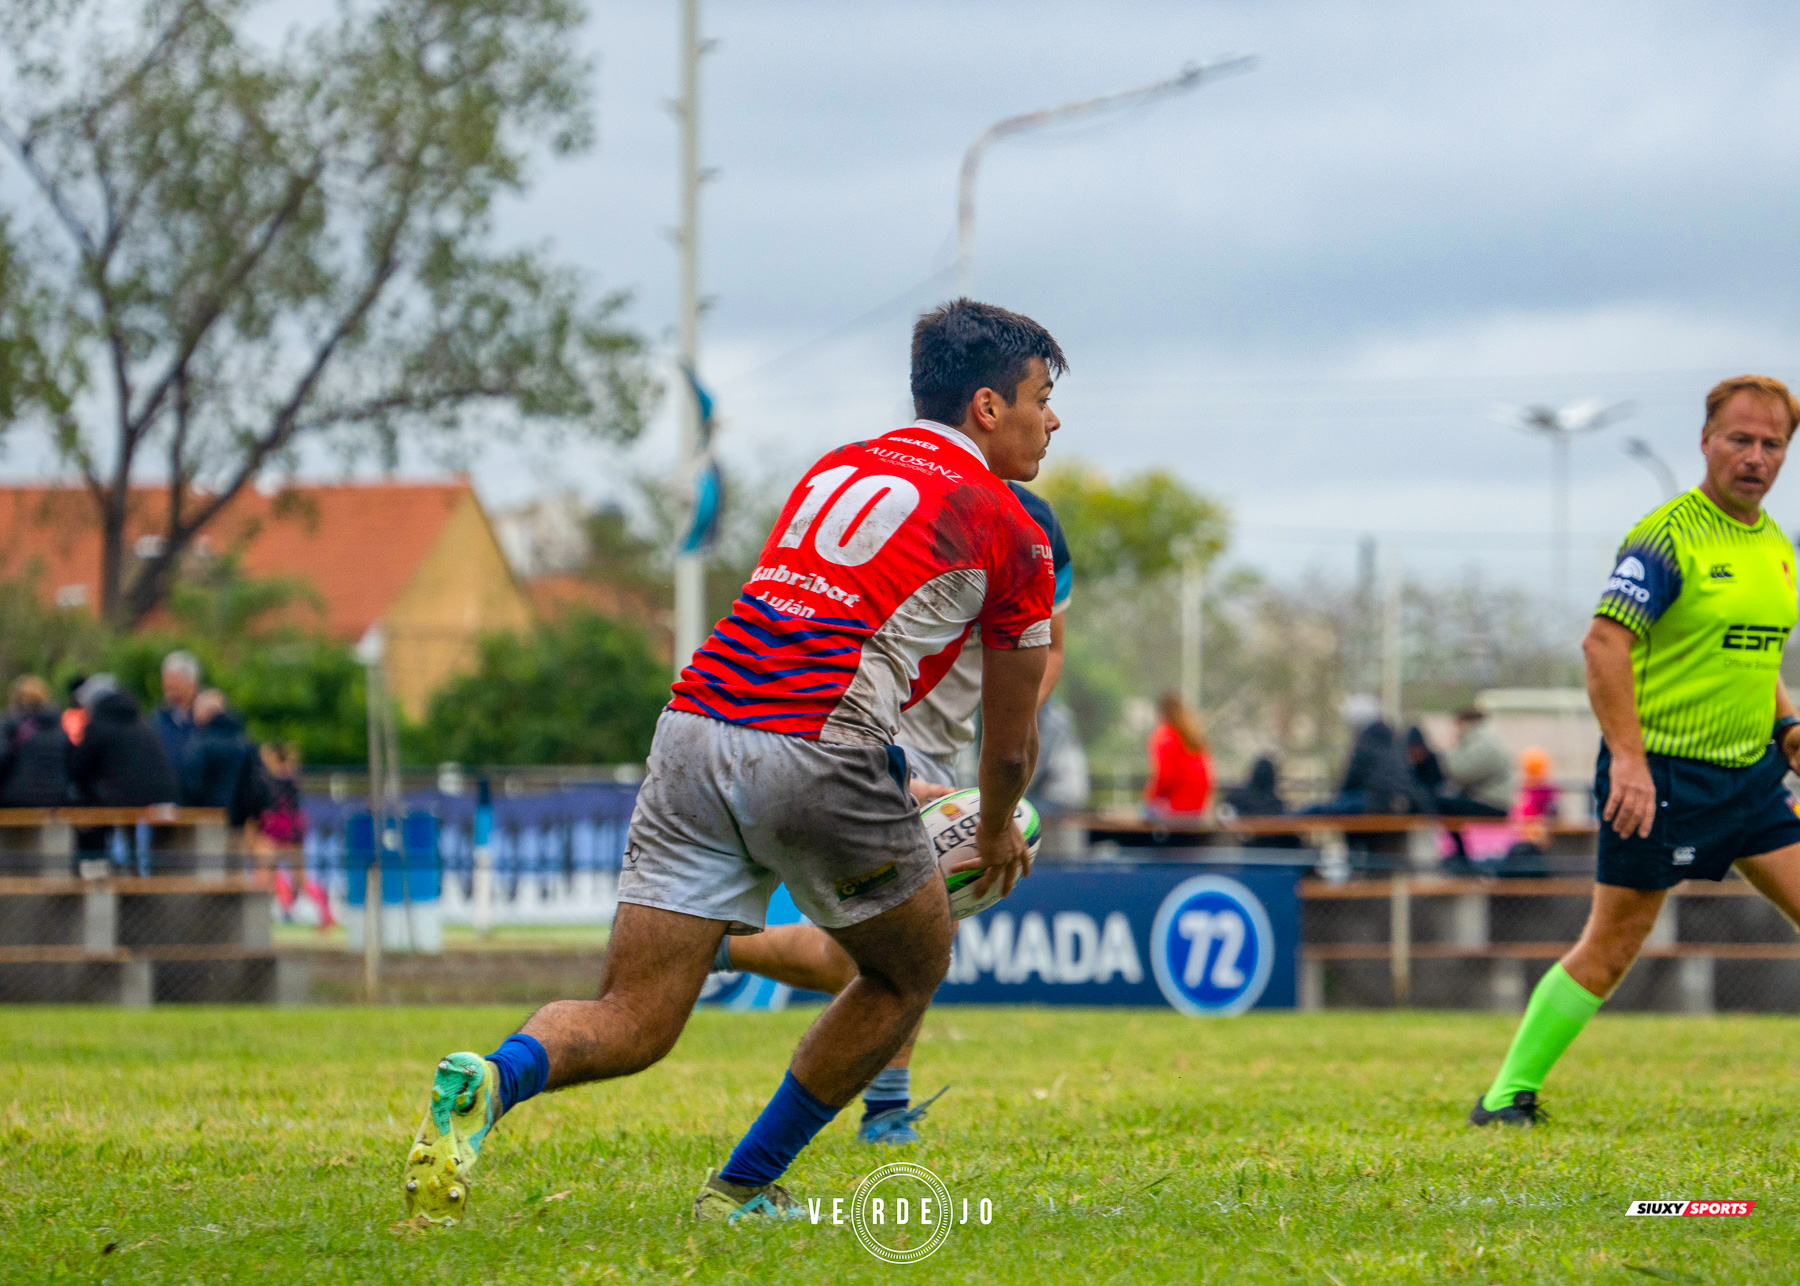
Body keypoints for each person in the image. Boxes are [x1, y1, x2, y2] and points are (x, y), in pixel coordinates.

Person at [399, 299, 1063, 1224]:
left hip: (693, 726)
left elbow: (814, 626)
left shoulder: (836, 467)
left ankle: (492, 1077)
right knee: (906, 973)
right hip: (815, 743)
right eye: (1042, 396)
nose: (1053, 419)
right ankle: (743, 1190)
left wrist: (881, 768)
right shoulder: (1014, 526)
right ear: (988, 408)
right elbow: (1012, 739)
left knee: (634, 1016)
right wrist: (993, 832)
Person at [1472, 374, 1800, 1127]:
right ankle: (1505, 1097)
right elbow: (1604, 643)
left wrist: (1786, 728)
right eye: (1740, 439)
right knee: (1612, 946)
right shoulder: (1666, 537)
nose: (1754, 456)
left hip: (1751, 780)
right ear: (1707, 442)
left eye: (1771, 444)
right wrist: (1628, 758)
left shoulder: (1778, 548)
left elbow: (1756, 657)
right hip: (1662, 779)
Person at [718, 478, 1074, 1146]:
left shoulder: (1040, 529)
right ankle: (882, 1112)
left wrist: (1011, 707)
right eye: (1040, 399)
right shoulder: (920, 505)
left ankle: (721, 944)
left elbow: (1048, 647)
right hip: (866, 736)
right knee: (916, 941)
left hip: (935, 750)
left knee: (885, 948)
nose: (1049, 418)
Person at [67, 675, 178, 807]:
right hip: (165, 800)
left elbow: (78, 769)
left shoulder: (99, 726)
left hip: (127, 805)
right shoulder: (139, 721)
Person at [1304, 693, 1418, 815]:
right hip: (1393, 801)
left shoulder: (1367, 743)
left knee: (1315, 810)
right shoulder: (1391, 739)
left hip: (1374, 802)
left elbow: (1352, 779)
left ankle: (1286, 824)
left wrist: (1337, 797)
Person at [179, 689, 270, 829]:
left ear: (203, 712)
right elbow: (259, 787)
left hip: (207, 822)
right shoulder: (246, 743)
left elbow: (190, 786)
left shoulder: (200, 744)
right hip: (241, 825)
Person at [0, 676, 72, 807]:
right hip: (55, 797)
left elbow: (2, 756)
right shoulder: (57, 724)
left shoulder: (12, 722)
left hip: (15, 796)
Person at [1144, 692, 1213, 814]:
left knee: (1142, 814)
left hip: (1174, 810)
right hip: (1197, 809)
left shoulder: (1164, 735)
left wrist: (1149, 799)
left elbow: (1165, 777)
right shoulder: (1193, 735)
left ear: (1161, 713)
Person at [1439, 709, 1512, 816]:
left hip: (1492, 804)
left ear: (1463, 723)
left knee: (1434, 804)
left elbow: (1459, 773)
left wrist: (1453, 744)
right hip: (1491, 802)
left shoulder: (1482, 743)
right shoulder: (1482, 739)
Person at [152, 650, 202, 772]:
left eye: (175, 688)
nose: (170, 694)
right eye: (167, 688)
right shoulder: (159, 717)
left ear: (192, 684)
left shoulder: (207, 716)